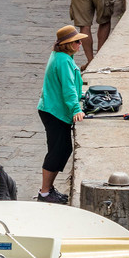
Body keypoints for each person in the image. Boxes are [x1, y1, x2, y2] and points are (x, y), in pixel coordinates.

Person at [36, 25, 87, 203]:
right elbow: (68, 89)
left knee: (62, 149)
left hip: (51, 109)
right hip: (54, 112)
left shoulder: (61, 57)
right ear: (68, 44)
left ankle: (48, 189)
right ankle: (44, 192)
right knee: (58, 151)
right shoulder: (63, 61)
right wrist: (76, 109)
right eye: (77, 41)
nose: (80, 44)